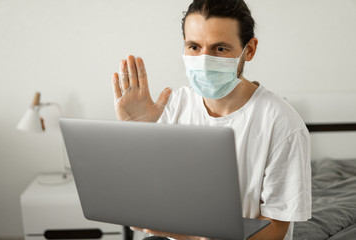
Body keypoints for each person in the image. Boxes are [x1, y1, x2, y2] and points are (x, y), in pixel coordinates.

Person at [111, 0, 311, 239]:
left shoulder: (282, 124)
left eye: (220, 49)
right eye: (194, 47)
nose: (204, 61)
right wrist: (136, 136)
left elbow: (276, 229)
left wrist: (194, 236)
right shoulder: (175, 105)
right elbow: (146, 201)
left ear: (249, 50)